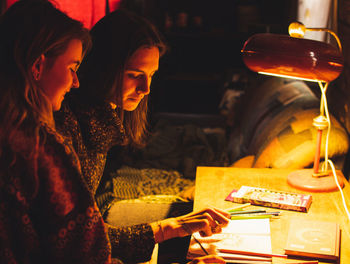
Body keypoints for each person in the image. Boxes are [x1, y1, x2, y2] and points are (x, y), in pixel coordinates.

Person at [54, 8, 230, 264]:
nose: (146, 89)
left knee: (192, 218)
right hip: (99, 224)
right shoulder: (70, 125)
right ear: (104, 68)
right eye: (135, 76)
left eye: (151, 76)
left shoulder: (104, 115)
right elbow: (80, 242)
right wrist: (164, 230)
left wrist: (170, 227)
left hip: (97, 226)